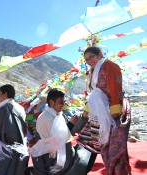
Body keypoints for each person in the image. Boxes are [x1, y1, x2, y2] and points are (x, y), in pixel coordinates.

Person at [82, 46, 131, 174]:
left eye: (91, 57)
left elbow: (115, 88)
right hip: (100, 112)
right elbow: (95, 94)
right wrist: (87, 110)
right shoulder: (94, 71)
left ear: (100, 54)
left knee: (116, 148)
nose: (89, 61)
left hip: (115, 110)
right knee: (104, 146)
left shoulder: (110, 66)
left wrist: (115, 110)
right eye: (86, 60)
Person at [30, 88, 96, 175]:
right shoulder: (45, 118)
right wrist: (71, 123)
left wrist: (83, 117)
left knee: (90, 148)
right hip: (54, 157)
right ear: (51, 102)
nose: (63, 105)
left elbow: (71, 132)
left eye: (64, 102)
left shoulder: (59, 115)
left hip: (66, 152)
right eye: (61, 102)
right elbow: (58, 137)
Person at [0, 84, 29, 175]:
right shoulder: (20, 108)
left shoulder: (4, 109)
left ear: (5, 94)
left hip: (6, 148)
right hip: (21, 147)